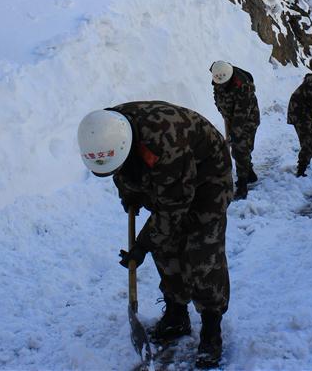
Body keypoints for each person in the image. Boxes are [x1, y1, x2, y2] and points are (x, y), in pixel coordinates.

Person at [77, 101, 232, 368]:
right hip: (165, 176)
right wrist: (130, 195)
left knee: (202, 249)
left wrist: (143, 244)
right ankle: (176, 313)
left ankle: (211, 326)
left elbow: (174, 208)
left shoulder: (165, 141)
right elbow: (121, 169)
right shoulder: (104, 130)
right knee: (166, 244)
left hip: (208, 177)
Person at [210, 61, 260, 200]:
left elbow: (242, 113)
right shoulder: (219, 74)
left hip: (247, 119)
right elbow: (218, 96)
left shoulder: (244, 86)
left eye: (222, 82)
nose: (219, 85)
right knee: (240, 149)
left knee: (240, 149)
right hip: (231, 117)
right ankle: (249, 174)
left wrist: (234, 133)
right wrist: (223, 113)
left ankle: (243, 185)